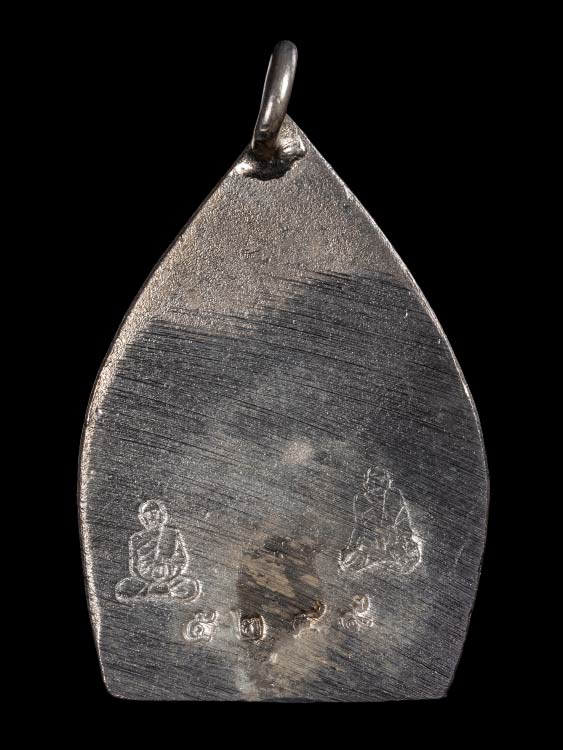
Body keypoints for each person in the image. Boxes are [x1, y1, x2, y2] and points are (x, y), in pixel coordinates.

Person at [115, 500, 201, 602]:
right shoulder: (137, 538)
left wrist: (169, 568)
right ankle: (154, 590)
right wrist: (148, 573)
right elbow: (135, 564)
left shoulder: (171, 533)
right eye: (149, 516)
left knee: (190, 586)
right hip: (146, 579)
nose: (153, 517)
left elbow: (181, 558)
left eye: (155, 513)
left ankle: (161, 590)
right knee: (123, 588)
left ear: (162, 516)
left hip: (170, 578)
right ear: (143, 519)